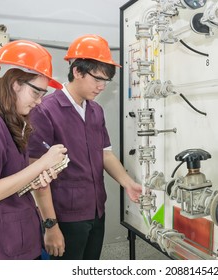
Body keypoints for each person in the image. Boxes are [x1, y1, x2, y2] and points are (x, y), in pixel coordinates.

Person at [28, 34, 142, 260]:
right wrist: (50, 226)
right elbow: (37, 173)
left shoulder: (95, 110)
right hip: (65, 216)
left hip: (96, 209)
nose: (102, 87)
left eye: (106, 81)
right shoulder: (45, 110)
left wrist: (128, 183)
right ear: (77, 71)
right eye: (97, 79)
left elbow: (105, 154)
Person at [0, 40, 68, 260]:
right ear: (15, 83)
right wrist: (43, 163)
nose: (39, 102)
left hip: (13, 241)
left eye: (43, 95)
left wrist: (36, 175)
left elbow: (8, 175)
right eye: (36, 93)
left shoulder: (7, 122)